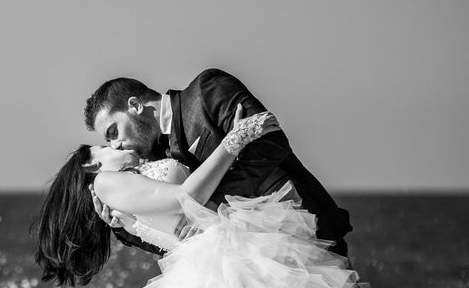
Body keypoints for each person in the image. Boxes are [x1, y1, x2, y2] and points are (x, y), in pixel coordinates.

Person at [34, 107, 391, 288]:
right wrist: (233, 141)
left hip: (223, 257)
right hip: (219, 265)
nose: (117, 146)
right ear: (91, 164)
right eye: (104, 146)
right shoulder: (105, 183)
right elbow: (186, 196)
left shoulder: (122, 196)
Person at [84, 69, 353, 256]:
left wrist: (211, 207)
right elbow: (179, 237)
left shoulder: (206, 90)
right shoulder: (155, 158)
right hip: (243, 264)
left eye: (113, 132)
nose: (115, 146)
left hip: (305, 232)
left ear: (135, 105)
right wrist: (125, 227)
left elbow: (270, 142)